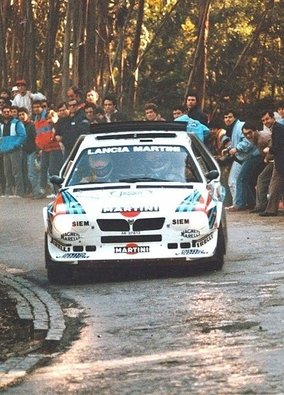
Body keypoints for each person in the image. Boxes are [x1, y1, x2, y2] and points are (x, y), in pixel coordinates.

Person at [231, 123, 270, 211]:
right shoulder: (254, 138)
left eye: (250, 133)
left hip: (262, 158)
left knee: (243, 178)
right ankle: (253, 203)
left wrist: (267, 159)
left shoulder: (262, 138)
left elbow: (275, 146)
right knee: (251, 180)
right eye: (246, 134)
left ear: (255, 131)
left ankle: (240, 204)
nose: (248, 136)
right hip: (260, 158)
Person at [33, 100, 63, 197]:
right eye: (34, 107)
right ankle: (43, 189)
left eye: (38, 107)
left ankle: (56, 190)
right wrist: (40, 146)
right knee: (43, 169)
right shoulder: (36, 120)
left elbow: (52, 133)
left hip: (54, 147)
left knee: (53, 169)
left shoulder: (50, 116)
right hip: (45, 148)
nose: (36, 109)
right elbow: (39, 135)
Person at [258, 111, 284, 216]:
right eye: (263, 120)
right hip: (280, 160)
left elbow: (279, 145)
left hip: (280, 161)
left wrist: (269, 149)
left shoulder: (277, 128)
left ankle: (271, 210)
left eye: (267, 119)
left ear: (273, 118)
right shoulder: (278, 128)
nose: (265, 122)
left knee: (274, 186)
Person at [0, 104, 26, 197]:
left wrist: (15, 145)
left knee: (16, 172)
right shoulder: (1, 124)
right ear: (2, 113)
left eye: (8, 111)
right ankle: (8, 192)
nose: (6, 113)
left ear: (11, 112)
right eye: (5, 112)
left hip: (15, 150)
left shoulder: (17, 123)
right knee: (7, 172)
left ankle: (19, 192)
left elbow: (22, 135)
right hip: (5, 151)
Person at [18, 107, 43, 199]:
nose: (21, 116)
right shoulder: (20, 126)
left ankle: (38, 193)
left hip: (32, 152)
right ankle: (34, 191)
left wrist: (37, 151)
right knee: (28, 173)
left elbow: (37, 138)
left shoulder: (32, 125)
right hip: (24, 152)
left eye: (22, 114)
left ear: (27, 115)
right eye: (19, 115)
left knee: (32, 173)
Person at [222, 109, 245, 207]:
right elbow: (234, 142)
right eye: (226, 117)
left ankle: (237, 204)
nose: (227, 119)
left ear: (235, 117)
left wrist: (237, 148)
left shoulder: (240, 126)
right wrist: (228, 148)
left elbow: (247, 141)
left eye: (230, 117)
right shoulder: (231, 128)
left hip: (245, 156)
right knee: (238, 181)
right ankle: (239, 203)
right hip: (240, 156)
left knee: (232, 180)